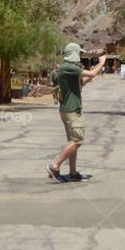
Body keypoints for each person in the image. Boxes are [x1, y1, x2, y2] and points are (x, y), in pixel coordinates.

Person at [48, 42, 105, 182]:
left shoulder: (66, 69)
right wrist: (101, 63)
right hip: (72, 110)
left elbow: (82, 82)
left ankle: (72, 173)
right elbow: (91, 74)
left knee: (72, 141)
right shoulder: (69, 67)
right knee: (77, 141)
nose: (79, 56)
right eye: (78, 53)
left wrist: (94, 69)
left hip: (67, 109)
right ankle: (55, 165)